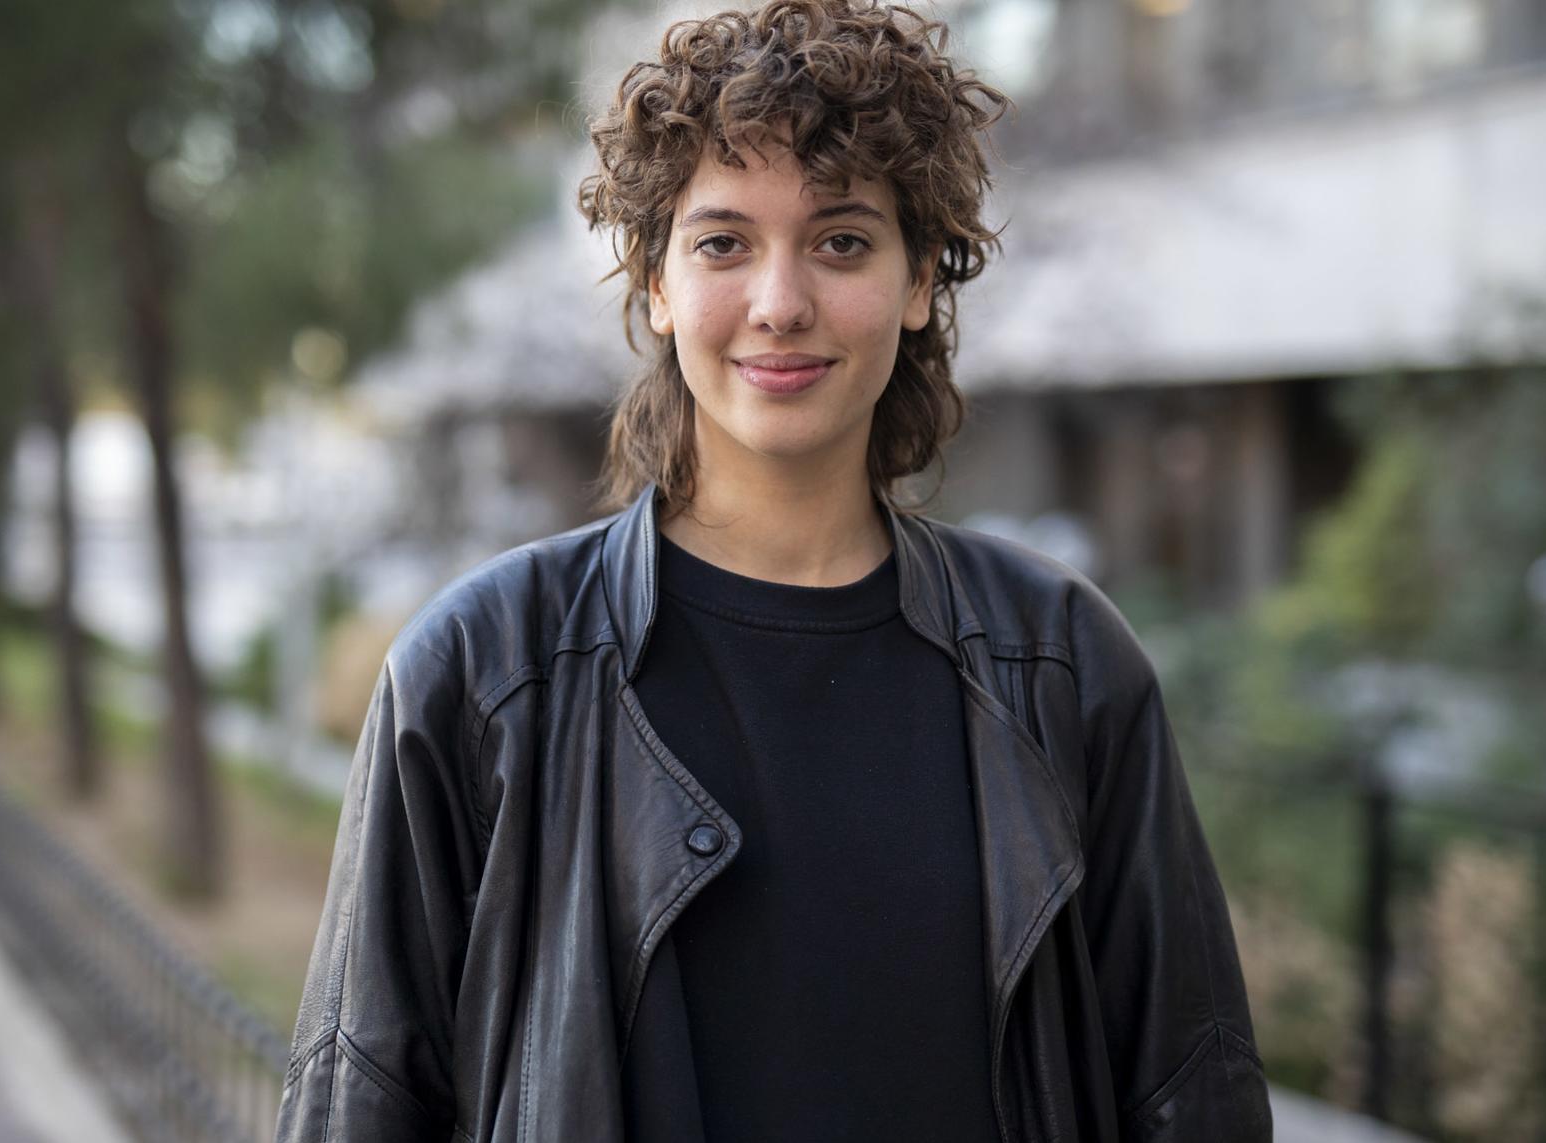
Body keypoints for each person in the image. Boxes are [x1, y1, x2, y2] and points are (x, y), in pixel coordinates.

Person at [274, 2, 1272, 1140]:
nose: (779, 302)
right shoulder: (484, 670)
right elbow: (359, 1104)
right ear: (654, 282)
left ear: (916, 282)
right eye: (721, 242)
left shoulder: (1063, 667)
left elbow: (1194, 1096)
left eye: (841, 239)